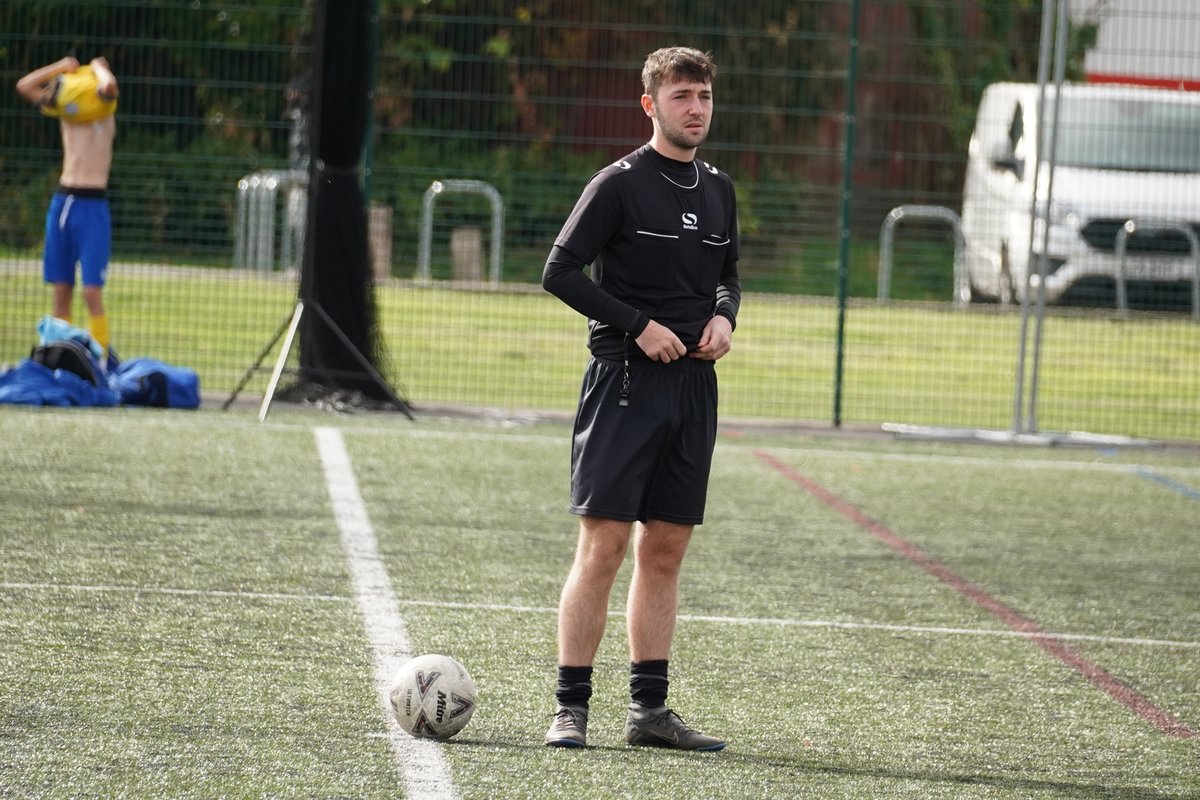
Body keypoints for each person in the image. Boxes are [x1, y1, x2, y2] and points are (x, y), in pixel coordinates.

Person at [541, 46, 741, 752]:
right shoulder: (618, 184)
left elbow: (727, 277)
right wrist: (638, 325)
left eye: (704, 97)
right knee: (602, 547)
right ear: (651, 104)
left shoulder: (719, 189)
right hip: (624, 383)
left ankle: (649, 713)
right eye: (682, 96)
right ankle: (571, 709)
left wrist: (724, 318)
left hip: (694, 389)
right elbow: (559, 271)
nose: (696, 109)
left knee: (666, 549)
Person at [16, 55, 119, 358]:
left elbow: (109, 85)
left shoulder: (105, 110)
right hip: (63, 202)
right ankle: (61, 357)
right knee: (61, 291)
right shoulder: (65, 108)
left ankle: (98, 360)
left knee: (91, 292)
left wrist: (99, 67)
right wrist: (61, 67)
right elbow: (25, 86)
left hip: (93, 205)